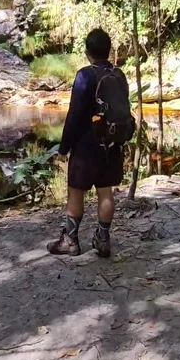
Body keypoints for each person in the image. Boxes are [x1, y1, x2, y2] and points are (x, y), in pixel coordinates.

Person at [47, 28, 131, 258]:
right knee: (106, 192)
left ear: (87, 51)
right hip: (111, 145)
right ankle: (102, 240)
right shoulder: (119, 75)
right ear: (108, 50)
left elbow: (75, 115)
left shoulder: (85, 75)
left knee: (76, 192)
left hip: (86, 146)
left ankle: (70, 241)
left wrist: (64, 148)